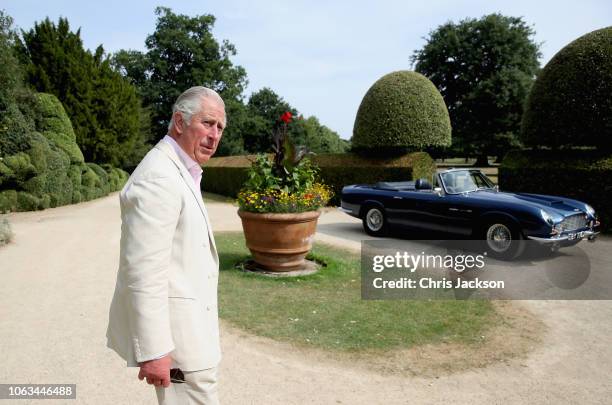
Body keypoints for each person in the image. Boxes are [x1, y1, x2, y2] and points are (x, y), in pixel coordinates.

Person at [106, 86, 225, 404]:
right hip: (180, 350)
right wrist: (155, 350)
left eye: (220, 127)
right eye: (208, 123)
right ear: (179, 122)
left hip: (192, 342)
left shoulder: (180, 171)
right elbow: (143, 271)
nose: (214, 135)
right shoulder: (159, 177)